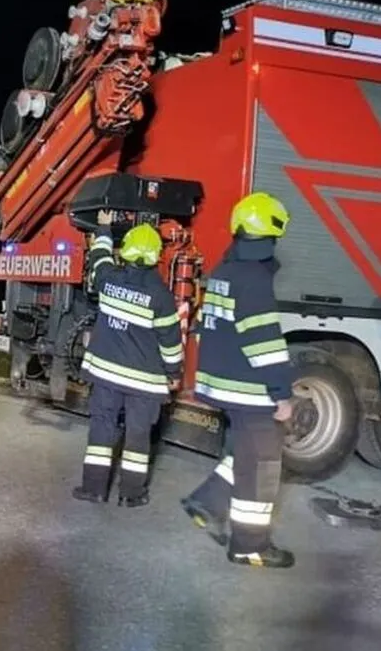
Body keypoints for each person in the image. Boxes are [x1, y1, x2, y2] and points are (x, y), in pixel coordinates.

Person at [180, 192, 297, 569]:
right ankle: (249, 545)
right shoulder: (254, 279)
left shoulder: (224, 270)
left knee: (245, 453)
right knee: (261, 466)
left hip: (223, 385)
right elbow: (265, 344)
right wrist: (282, 394)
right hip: (251, 391)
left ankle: (207, 501)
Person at [73, 211, 183, 508]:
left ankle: (94, 489)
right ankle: (130, 494)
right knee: (138, 436)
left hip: (106, 375)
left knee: (102, 428)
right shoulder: (162, 297)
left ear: (126, 251)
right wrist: (174, 374)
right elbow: (170, 343)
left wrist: (104, 228)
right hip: (144, 382)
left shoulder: (108, 280)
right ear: (156, 257)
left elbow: (99, 257)